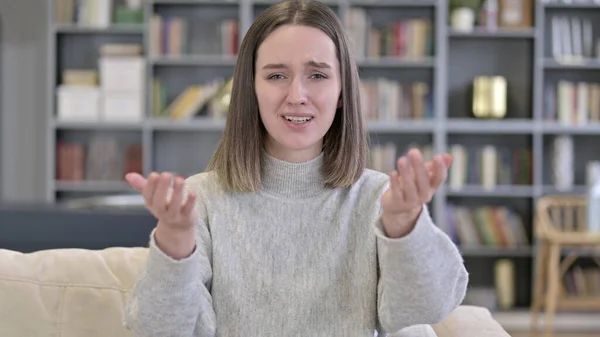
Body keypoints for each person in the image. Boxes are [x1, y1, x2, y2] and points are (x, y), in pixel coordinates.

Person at [123, 0, 468, 336]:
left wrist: (406, 226)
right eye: (276, 75)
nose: (297, 95)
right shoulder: (200, 200)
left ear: (342, 91)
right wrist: (175, 242)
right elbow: (158, 329)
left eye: (317, 74)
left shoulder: (380, 198)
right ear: (251, 90)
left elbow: (427, 308)